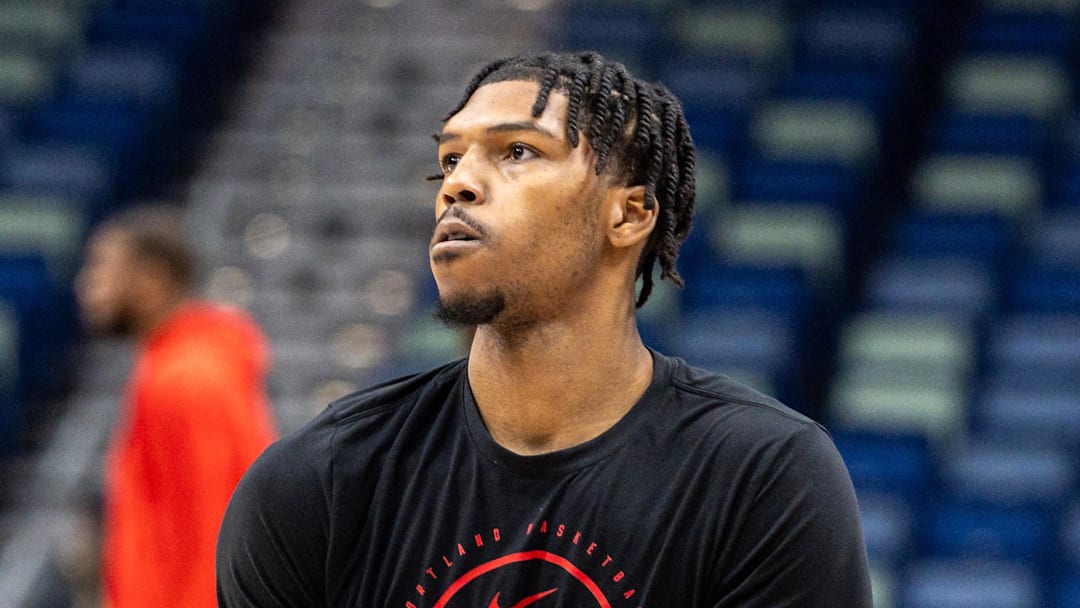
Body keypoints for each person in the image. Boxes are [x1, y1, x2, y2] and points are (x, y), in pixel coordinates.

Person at [216, 51, 872, 606]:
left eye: (518, 152)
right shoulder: (317, 484)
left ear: (630, 214)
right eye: (449, 160)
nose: (458, 185)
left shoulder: (764, 479)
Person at [75, 205, 277, 608]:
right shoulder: (177, 366)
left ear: (151, 279)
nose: (86, 285)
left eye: (102, 268)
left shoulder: (185, 379)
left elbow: (210, 534)